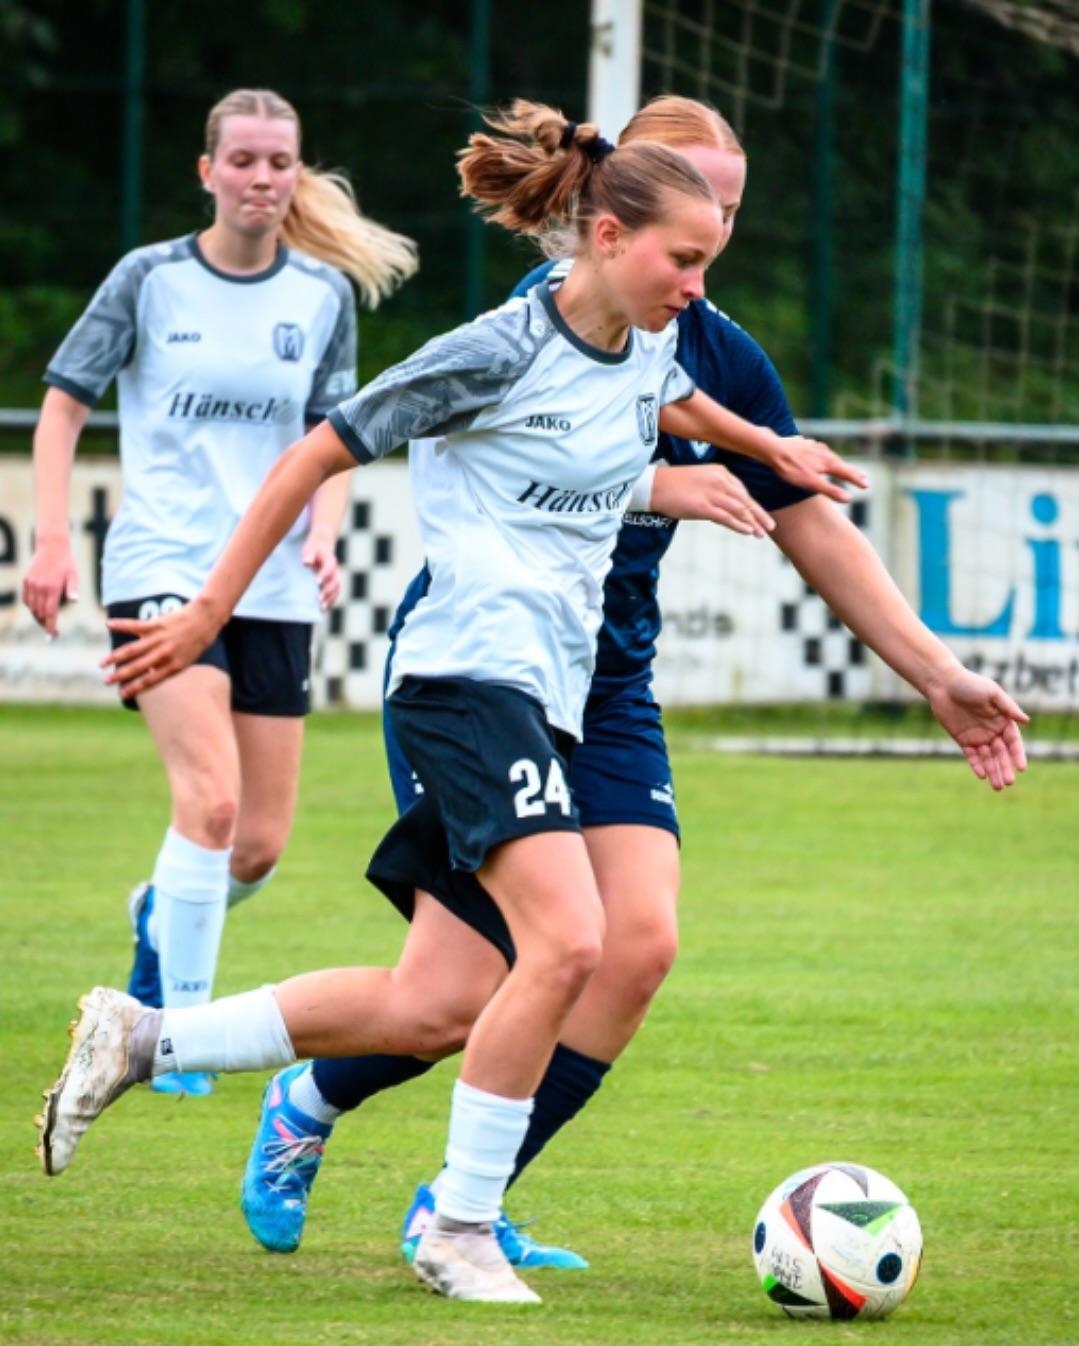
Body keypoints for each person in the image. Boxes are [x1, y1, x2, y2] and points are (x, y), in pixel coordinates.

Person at [36, 99, 868, 1306]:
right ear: (604, 236)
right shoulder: (489, 350)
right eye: (683, 258)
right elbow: (315, 452)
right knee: (571, 939)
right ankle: (459, 1225)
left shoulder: (641, 339)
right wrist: (211, 610)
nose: (698, 285)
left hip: (543, 695)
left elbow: (668, 405)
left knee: (430, 1003)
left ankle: (146, 1035)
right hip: (466, 679)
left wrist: (762, 451)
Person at [232, 95, 1031, 1270]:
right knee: (481, 977)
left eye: (732, 209)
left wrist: (936, 674)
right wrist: (667, 485)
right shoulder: (558, 313)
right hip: (483, 670)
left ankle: (462, 1201)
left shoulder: (710, 340)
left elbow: (807, 519)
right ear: (617, 202)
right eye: (695, 198)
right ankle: (307, 1099)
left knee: (634, 945)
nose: (715, 230)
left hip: (608, 685)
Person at [22, 88, 418, 1096]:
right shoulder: (148, 279)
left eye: (278, 161)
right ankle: (174, 1043)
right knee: (210, 802)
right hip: (159, 565)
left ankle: (160, 914)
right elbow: (62, 408)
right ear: (207, 172)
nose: (260, 177)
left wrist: (323, 535)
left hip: (273, 584)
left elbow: (332, 441)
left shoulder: (322, 294)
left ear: (296, 173)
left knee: (257, 846)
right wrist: (54, 539)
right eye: (241, 159)